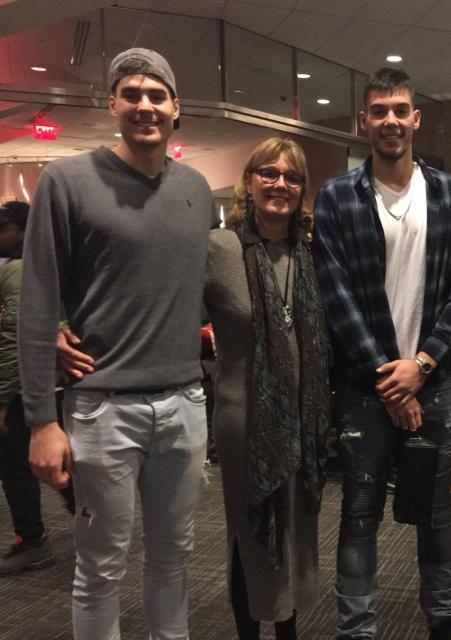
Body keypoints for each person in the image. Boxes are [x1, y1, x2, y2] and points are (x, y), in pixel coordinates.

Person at [19, 48, 213, 640]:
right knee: (100, 567)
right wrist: (40, 421)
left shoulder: (198, 189)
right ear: (112, 104)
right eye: (132, 94)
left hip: (184, 403)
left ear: (176, 108)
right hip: (103, 409)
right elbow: (38, 298)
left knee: (172, 560)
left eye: (157, 96)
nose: (145, 106)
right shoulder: (67, 179)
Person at [312, 66, 451, 640]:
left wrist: (423, 366)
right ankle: (356, 629)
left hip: (432, 385)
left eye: (399, 109)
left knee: (436, 514)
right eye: (378, 110)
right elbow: (336, 296)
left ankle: (444, 621)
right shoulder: (336, 198)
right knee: (359, 517)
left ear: (416, 118)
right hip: (365, 391)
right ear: (364, 121)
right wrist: (391, 381)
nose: (389, 120)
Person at [204, 137, 332, 640]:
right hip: (243, 421)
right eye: (269, 173)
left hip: (303, 416)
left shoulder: (314, 256)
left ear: (302, 190)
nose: (281, 184)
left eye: (292, 176)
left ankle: (288, 632)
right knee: (250, 535)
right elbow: (170, 312)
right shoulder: (220, 249)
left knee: (296, 533)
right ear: (249, 182)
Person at [0, 201, 55, 574]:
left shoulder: (17, 269)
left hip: (20, 386)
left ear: (20, 230)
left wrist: (2, 397)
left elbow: (13, 335)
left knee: (17, 465)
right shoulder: (27, 267)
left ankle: (32, 539)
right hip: (35, 381)